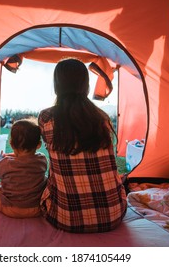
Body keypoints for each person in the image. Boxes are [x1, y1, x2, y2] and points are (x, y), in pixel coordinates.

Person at [38, 58, 127, 233]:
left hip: (66, 219)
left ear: (57, 85)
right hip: (113, 215)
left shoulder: (46, 118)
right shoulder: (101, 117)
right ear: (85, 85)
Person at [0, 118, 48, 218]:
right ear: (38, 145)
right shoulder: (42, 160)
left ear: (11, 144)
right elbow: (25, 159)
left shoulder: (6, 164)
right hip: (36, 208)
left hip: (10, 209)